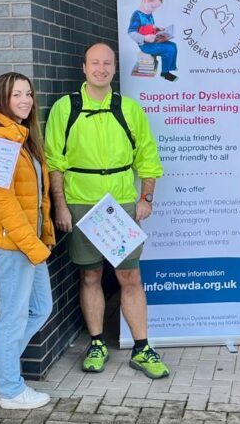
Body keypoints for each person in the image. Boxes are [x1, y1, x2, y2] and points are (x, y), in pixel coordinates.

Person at [45, 42, 169, 379]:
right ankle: (97, 343)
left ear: (114, 68)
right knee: (90, 275)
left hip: (120, 205)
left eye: (107, 64)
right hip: (80, 203)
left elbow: (147, 156)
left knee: (130, 276)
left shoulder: (128, 109)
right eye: (95, 63)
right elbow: (54, 161)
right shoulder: (65, 108)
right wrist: (61, 206)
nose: (101, 69)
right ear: (84, 67)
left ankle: (142, 348)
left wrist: (146, 198)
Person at [0, 72, 55, 410]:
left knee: (41, 308)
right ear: (1, 98)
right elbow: (4, 204)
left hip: (28, 244)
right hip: (12, 246)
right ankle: (10, 389)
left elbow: (38, 197)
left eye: (28, 94)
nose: (25, 100)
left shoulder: (24, 136)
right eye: (16, 94)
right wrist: (34, 247)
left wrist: (42, 238)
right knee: (12, 318)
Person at [127, 0, 179, 82]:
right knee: (169, 49)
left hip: (153, 41)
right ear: (145, 0)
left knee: (173, 45)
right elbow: (131, 32)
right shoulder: (137, 15)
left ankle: (170, 67)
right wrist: (144, 38)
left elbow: (148, 28)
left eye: (155, 8)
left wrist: (157, 29)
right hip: (146, 46)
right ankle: (165, 73)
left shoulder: (149, 13)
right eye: (153, 7)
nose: (153, 10)